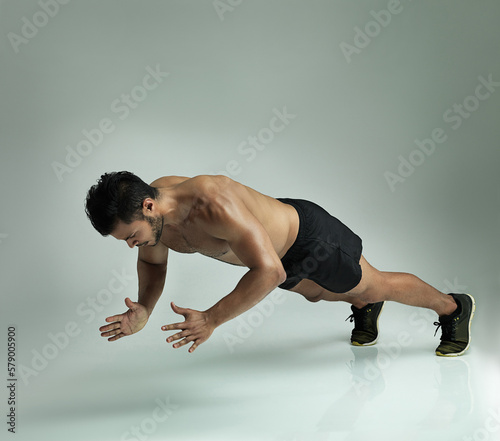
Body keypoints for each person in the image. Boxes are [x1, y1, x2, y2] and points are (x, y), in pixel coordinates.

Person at [85, 171, 475, 356]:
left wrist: (211, 319)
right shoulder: (154, 223)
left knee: (373, 283)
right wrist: (145, 310)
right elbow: (153, 267)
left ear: (148, 206)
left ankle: (454, 307)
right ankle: (363, 306)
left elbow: (270, 272)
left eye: (130, 235)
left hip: (308, 238)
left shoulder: (211, 202)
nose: (132, 244)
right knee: (320, 297)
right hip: (274, 256)